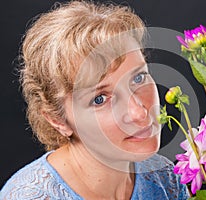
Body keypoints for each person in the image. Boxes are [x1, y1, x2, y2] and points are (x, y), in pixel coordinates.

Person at [0, 1, 190, 199]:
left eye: (138, 78)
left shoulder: (166, 178)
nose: (139, 112)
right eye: (100, 99)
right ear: (58, 120)